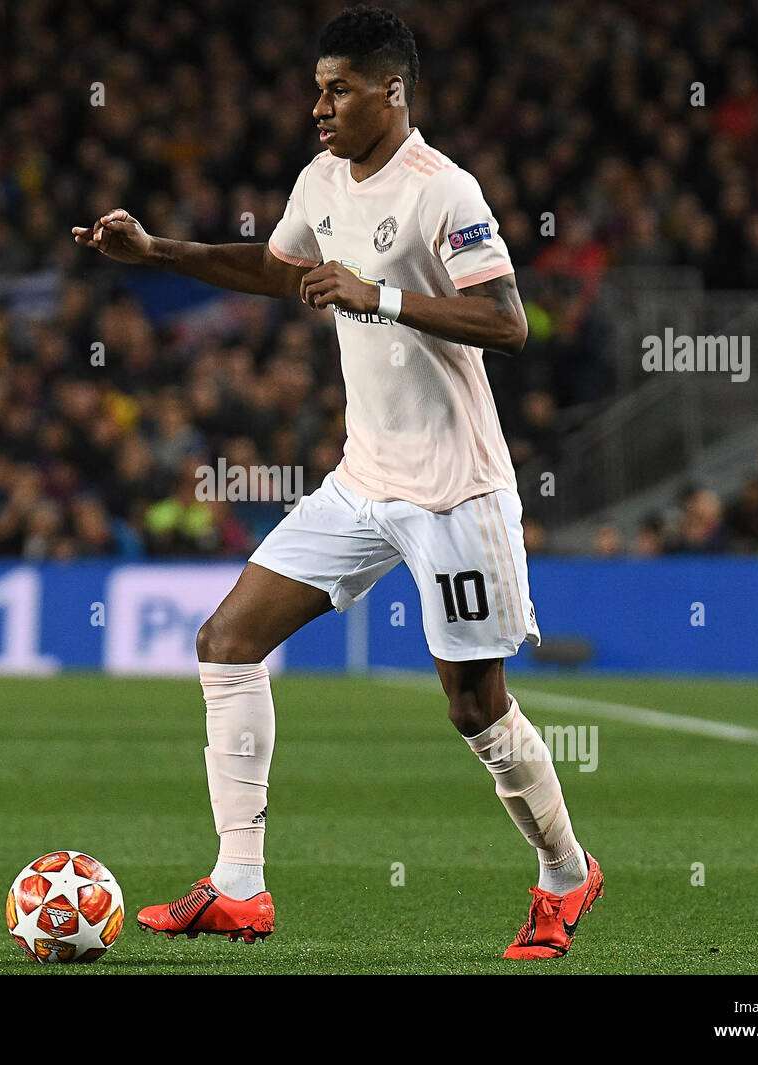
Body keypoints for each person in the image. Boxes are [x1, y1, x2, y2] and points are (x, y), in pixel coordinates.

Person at [72, 4, 601, 960]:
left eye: (339, 90)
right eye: (317, 90)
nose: (319, 107)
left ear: (392, 90)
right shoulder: (320, 180)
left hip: (454, 491)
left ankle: (566, 872)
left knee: (473, 707)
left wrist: (379, 294)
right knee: (227, 640)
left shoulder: (444, 190)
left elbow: (509, 323)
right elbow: (281, 271)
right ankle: (239, 885)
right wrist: (158, 253)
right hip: (364, 478)